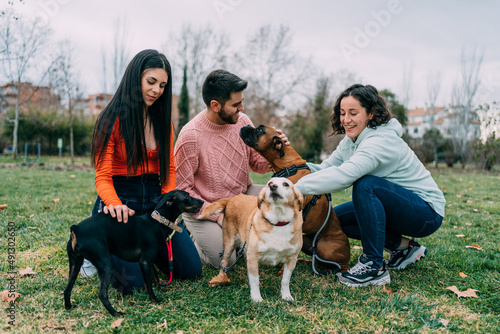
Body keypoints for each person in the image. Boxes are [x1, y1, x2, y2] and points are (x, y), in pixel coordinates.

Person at [294, 84, 445, 287]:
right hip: (398, 207)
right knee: (336, 220)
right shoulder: (352, 140)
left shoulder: (380, 141)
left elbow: (345, 175)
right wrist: (290, 170)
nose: (346, 120)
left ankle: (374, 267)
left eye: (353, 113)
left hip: (426, 213)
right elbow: (325, 168)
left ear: (371, 113)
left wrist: (297, 189)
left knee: (366, 185)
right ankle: (403, 248)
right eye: (342, 113)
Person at [81, 49, 202, 293]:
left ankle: (145, 251)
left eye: (163, 85)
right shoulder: (110, 119)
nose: (157, 90)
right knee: (133, 285)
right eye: (151, 82)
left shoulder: (162, 119)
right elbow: (103, 176)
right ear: (135, 77)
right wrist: (114, 205)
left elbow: (168, 169)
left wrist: (169, 205)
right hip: (121, 201)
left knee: (191, 270)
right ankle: (94, 245)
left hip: (155, 202)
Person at [174, 69, 288, 268]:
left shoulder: (242, 121)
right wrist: (218, 216)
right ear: (215, 105)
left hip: (241, 196)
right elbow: (182, 191)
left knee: (284, 200)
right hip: (206, 208)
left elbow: (257, 164)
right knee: (226, 261)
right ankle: (192, 238)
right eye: (236, 104)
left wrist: (276, 151)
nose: (242, 108)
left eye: (241, 102)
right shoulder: (190, 136)